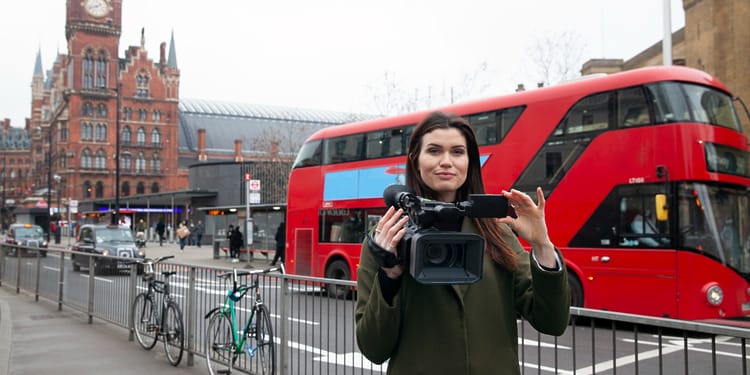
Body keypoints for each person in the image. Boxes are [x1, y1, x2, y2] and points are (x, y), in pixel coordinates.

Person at [355, 111, 570, 374]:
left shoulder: (497, 232)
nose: (446, 161)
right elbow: (373, 348)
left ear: (470, 162)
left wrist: (542, 245)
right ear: (415, 159)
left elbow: (553, 322)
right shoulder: (387, 237)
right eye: (434, 151)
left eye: (457, 152)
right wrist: (389, 277)